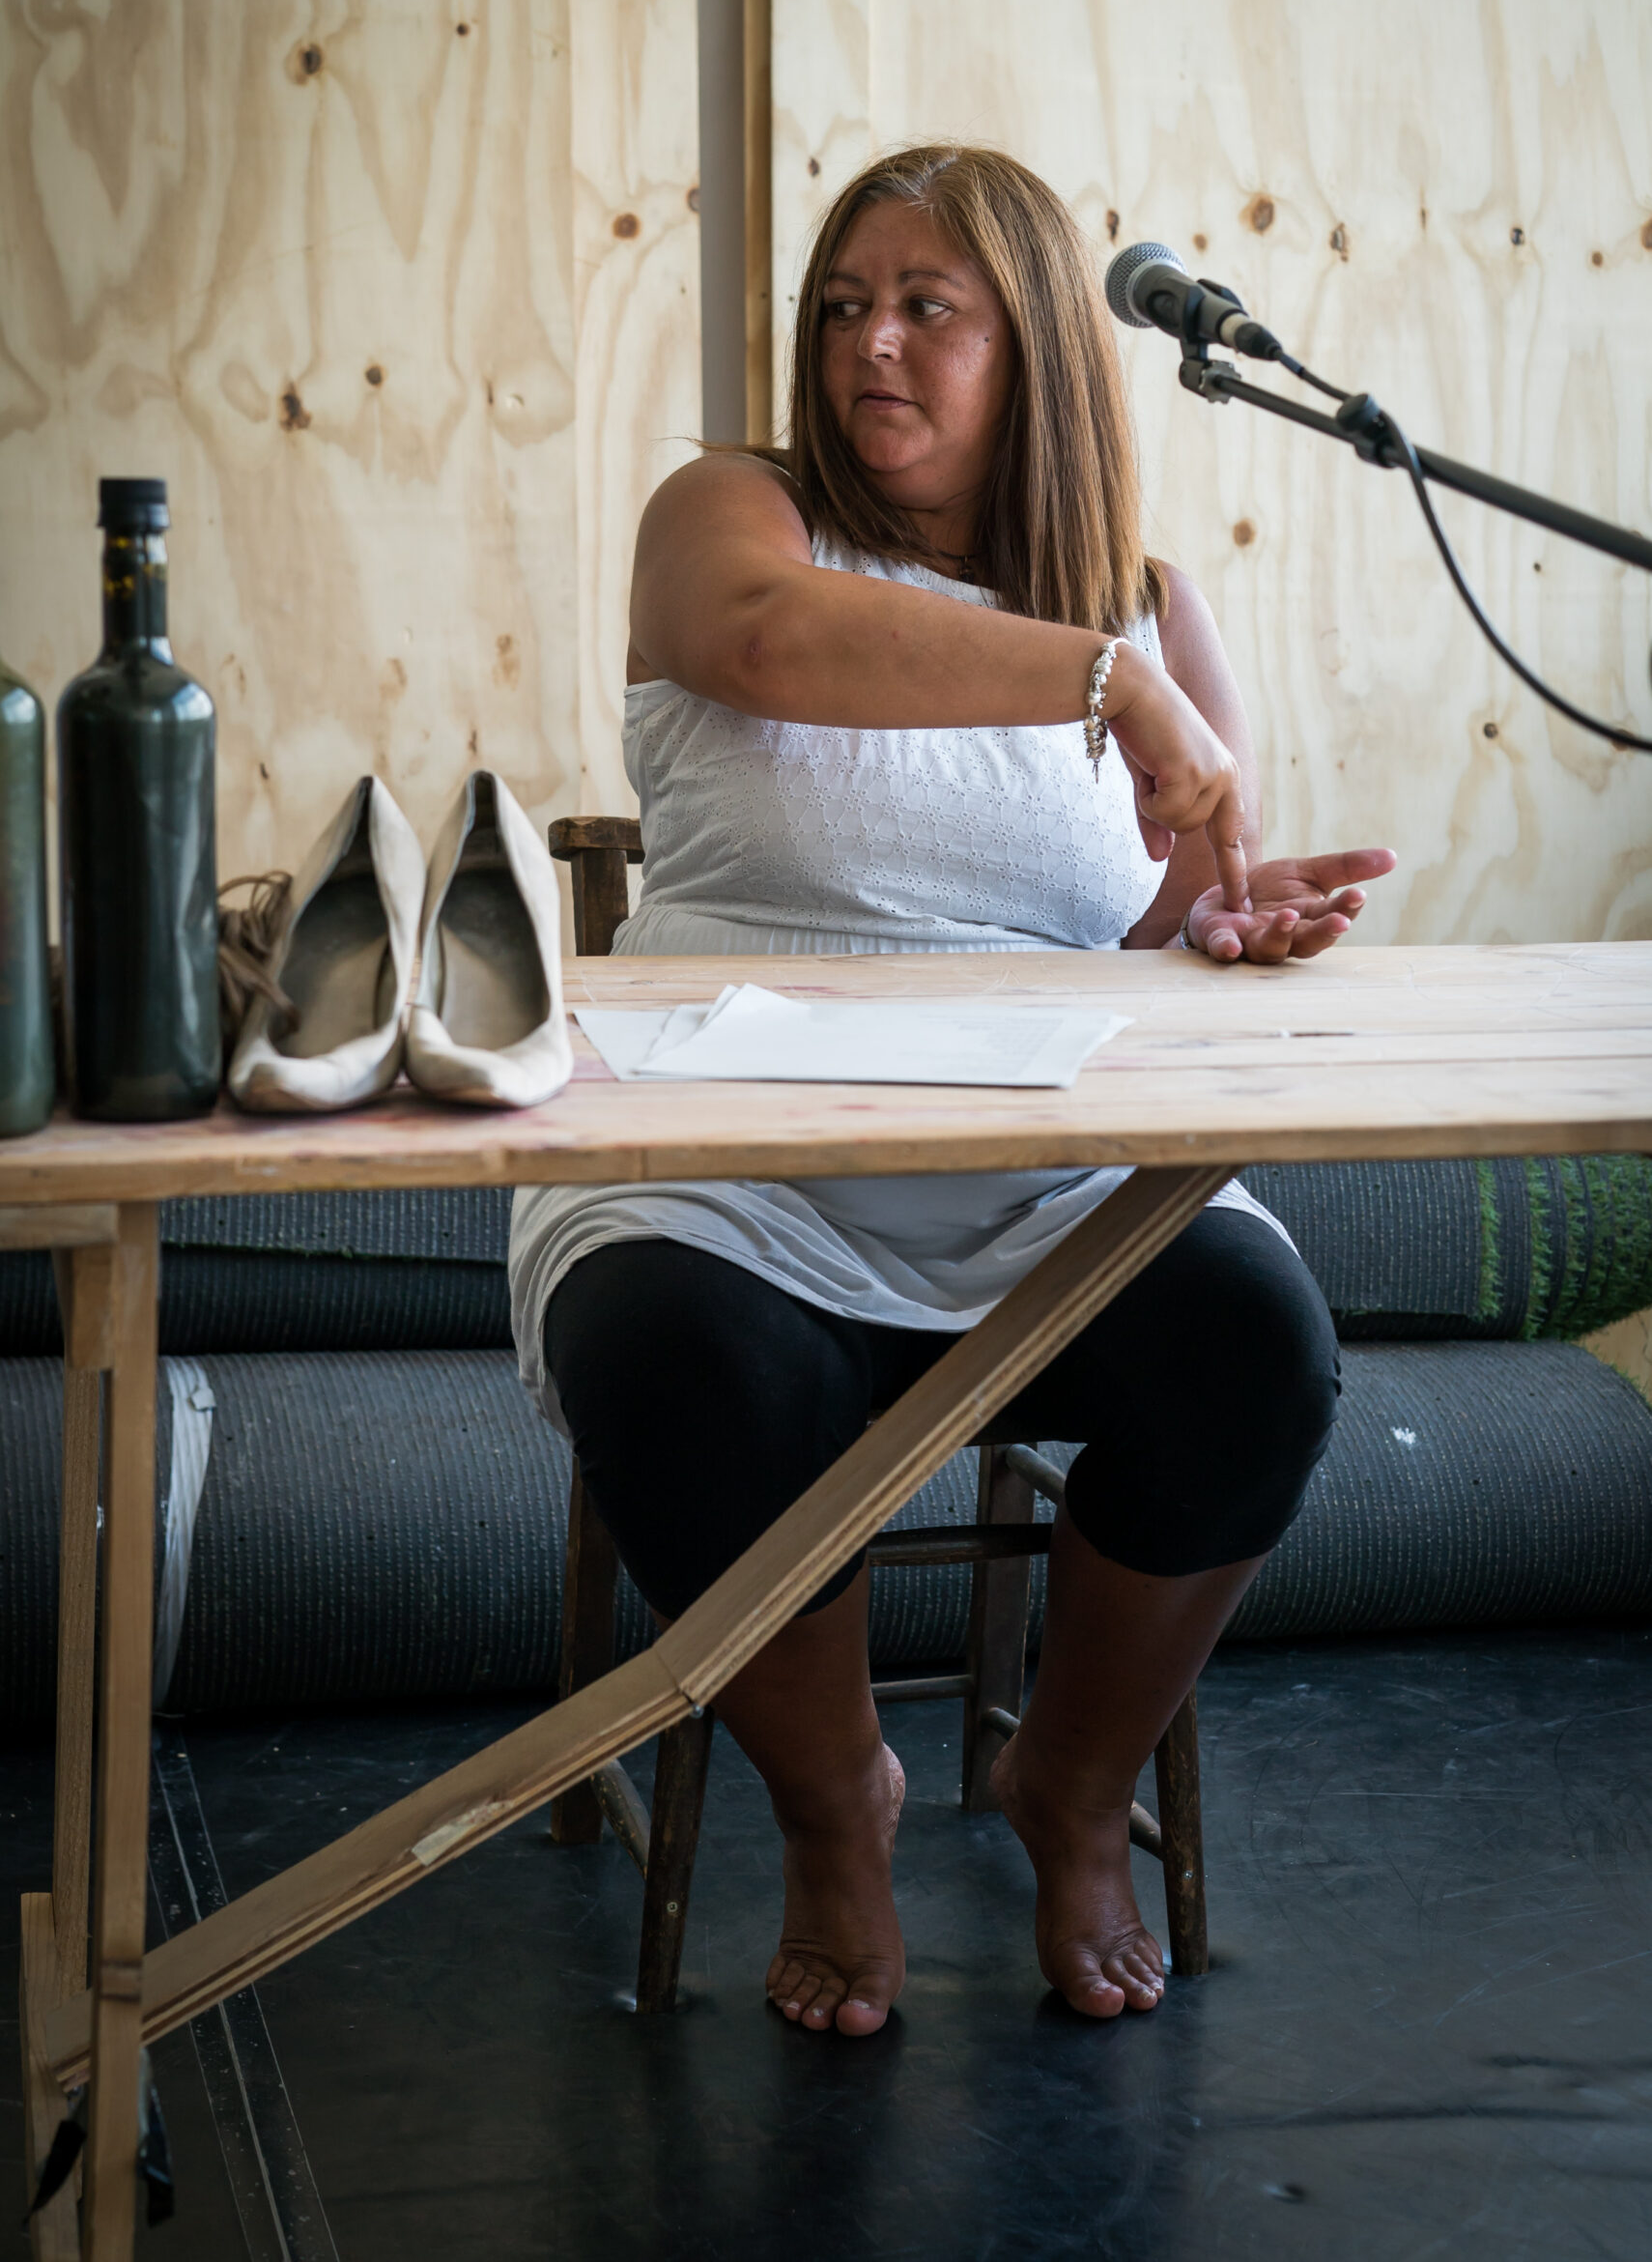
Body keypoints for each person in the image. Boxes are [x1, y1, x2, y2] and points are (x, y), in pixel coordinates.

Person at [511, 145, 1395, 2039]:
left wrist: (1239, 923)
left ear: (1041, 357)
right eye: (843, 304)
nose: (868, 345)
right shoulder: (729, 515)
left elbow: (1182, 906)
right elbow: (771, 645)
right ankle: (842, 1812)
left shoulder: (1148, 599)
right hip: (732, 1184)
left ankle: (1068, 1792)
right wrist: (1105, 681)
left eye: (927, 307)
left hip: (1042, 1193)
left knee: (1261, 1339)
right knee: (667, 1348)